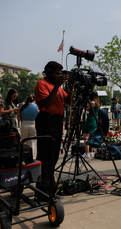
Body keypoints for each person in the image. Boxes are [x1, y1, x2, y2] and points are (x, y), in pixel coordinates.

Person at [35, 61, 73, 198]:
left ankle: (50, 185)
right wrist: (57, 86)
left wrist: (71, 88)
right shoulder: (42, 84)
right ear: (48, 71)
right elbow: (46, 104)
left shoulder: (57, 87)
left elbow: (68, 101)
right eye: (57, 73)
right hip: (46, 120)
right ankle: (42, 190)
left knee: (54, 156)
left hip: (56, 121)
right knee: (45, 155)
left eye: (60, 73)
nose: (59, 76)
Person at [17, 94, 39, 159]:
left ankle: (24, 156)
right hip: (33, 124)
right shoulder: (36, 106)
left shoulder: (22, 106)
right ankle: (32, 157)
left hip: (24, 124)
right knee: (33, 142)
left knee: (24, 142)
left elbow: (18, 118)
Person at [82, 90, 100, 158]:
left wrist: (86, 103)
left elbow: (86, 109)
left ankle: (87, 153)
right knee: (91, 137)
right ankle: (91, 151)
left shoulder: (91, 102)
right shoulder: (97, 103)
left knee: (85, 137)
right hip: (94, 120)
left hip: (90, 120)